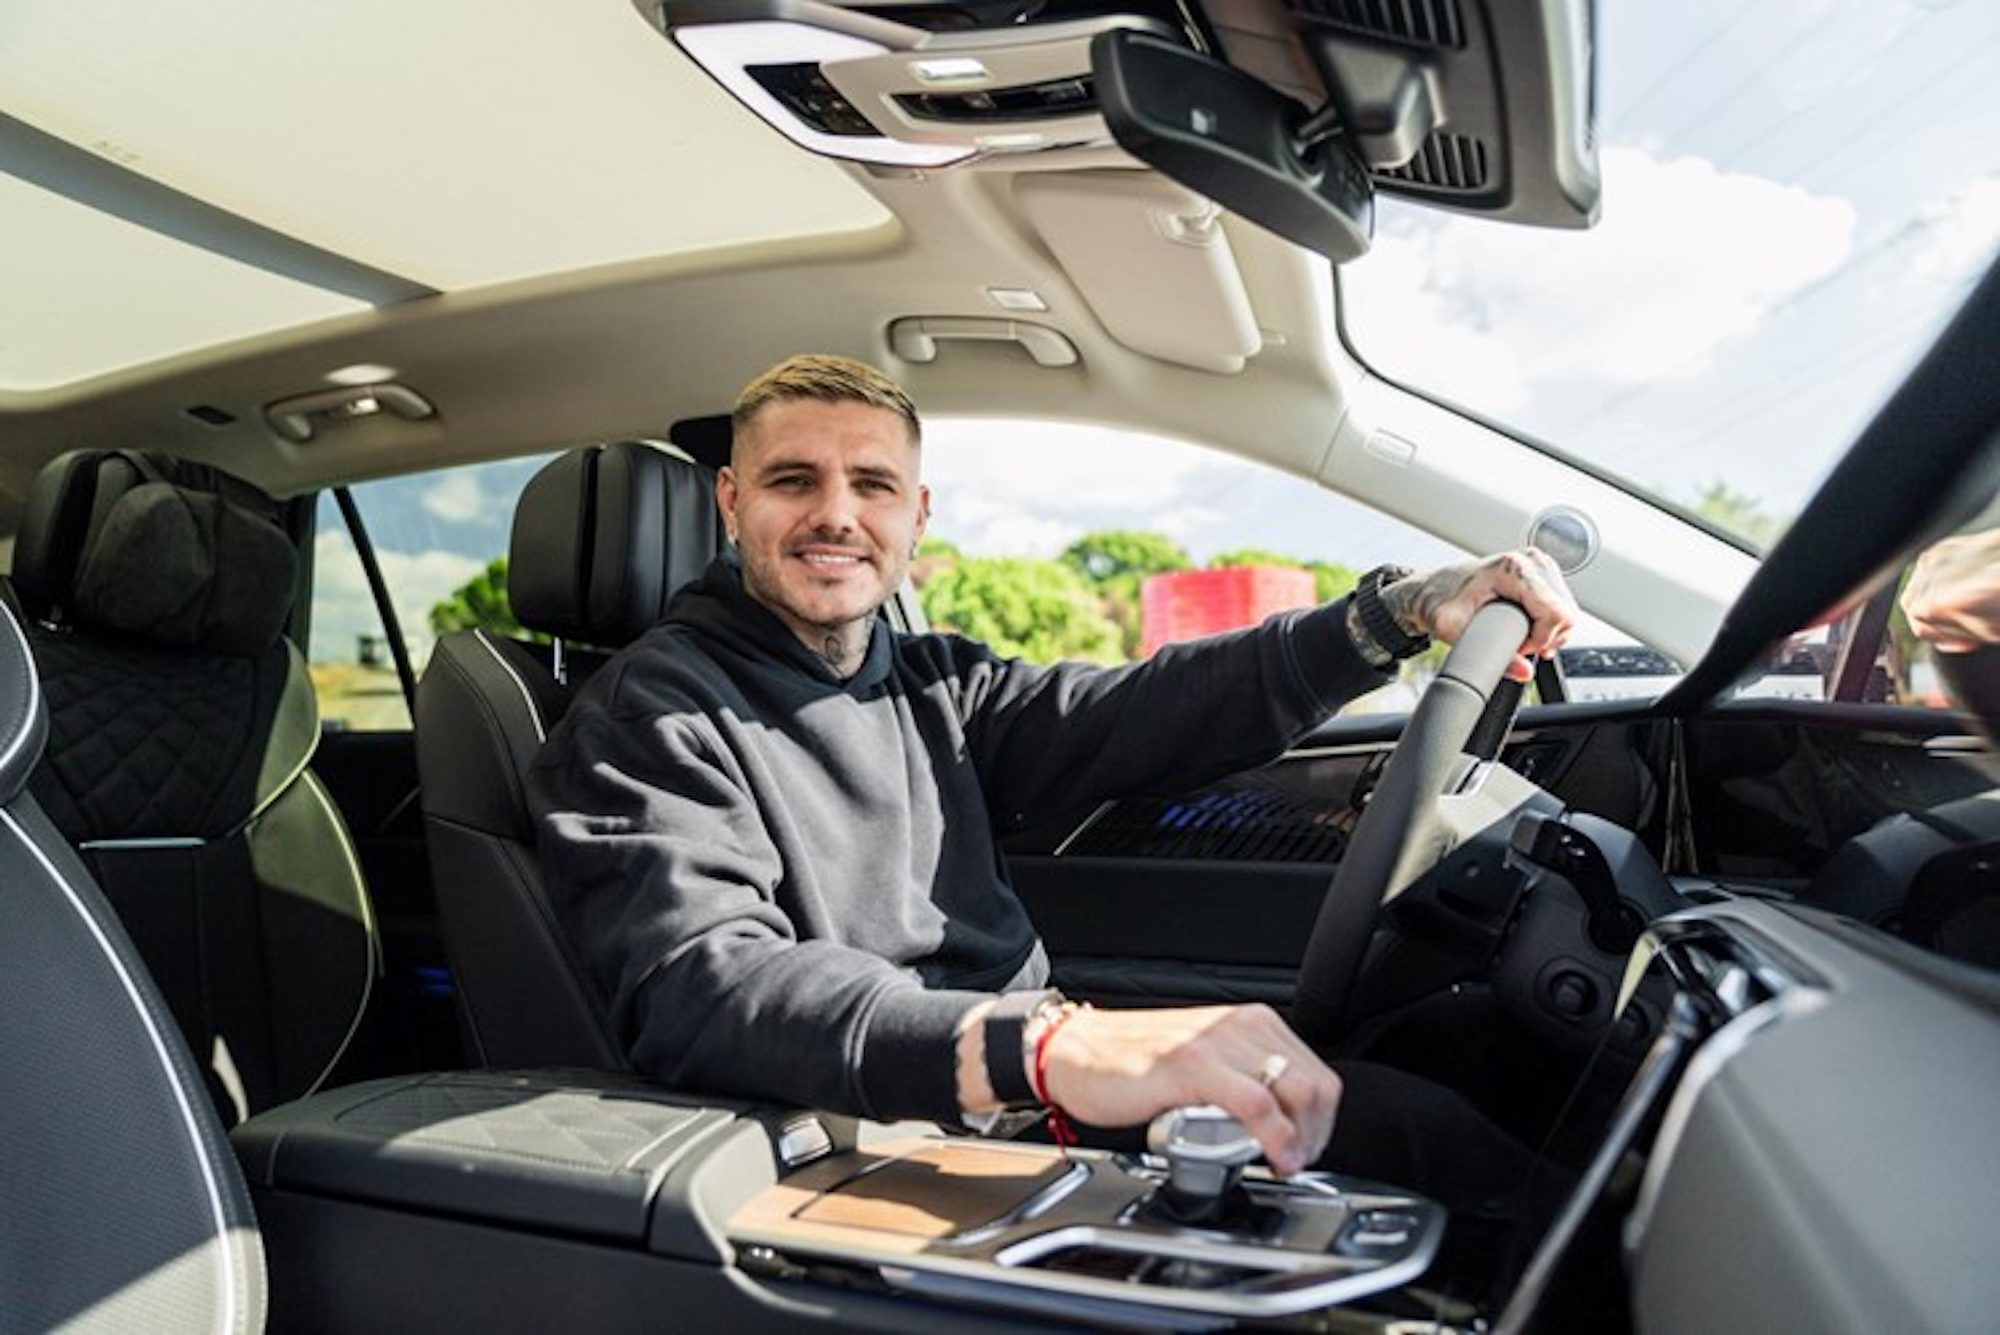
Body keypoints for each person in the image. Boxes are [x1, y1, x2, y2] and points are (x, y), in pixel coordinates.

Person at [529, 354, 1577, 1185]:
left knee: (1466, 1048)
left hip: (1018, 1097)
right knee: (1423, 1143)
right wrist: (1043, 1047)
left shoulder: (932, 682)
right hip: (895, 1141)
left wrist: (1396, 613)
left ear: (916, 516)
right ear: (730, 501)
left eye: (872, 484)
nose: (836, 514)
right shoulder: (646, 717)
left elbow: (1147, 711)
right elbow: (709, 982)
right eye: (792, 480)